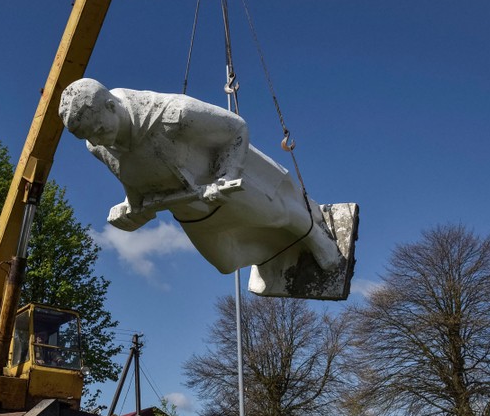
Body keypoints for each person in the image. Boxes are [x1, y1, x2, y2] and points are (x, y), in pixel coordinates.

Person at [58, 78, 355, 299]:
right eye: (89, 137)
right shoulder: (97, 146)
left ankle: (315, 234)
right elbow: (132, 177)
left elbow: (237, 128)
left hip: (220, 184)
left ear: (112, 106)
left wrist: (227, 174)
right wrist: (131, 209)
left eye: (99, 130)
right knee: (225, 263)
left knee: (276, 214)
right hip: (188, 206)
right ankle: (269, 256)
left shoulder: (174, 115)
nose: (98, 142)